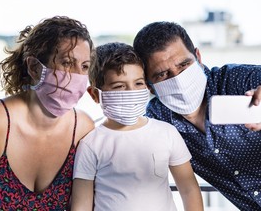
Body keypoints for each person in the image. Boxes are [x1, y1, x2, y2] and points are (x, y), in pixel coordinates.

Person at [133, 21, 261, 210]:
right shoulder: (157, 118)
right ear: (149, 84)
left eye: (184, 64)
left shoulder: (238, 79)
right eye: (163, 74)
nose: (177, 78)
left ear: (198, 57)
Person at [0, 16, 95, 210]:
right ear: (34, 67)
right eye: (66, 62)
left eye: (85, 66)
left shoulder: (83, 128)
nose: (77, 76)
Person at [71, 42, 204, 211]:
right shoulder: (91, 144)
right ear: (95, 94)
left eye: (139, 83)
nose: (131, 92)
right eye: (119, 86)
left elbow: (189, 189)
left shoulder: (167, 133)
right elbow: (81, 205)